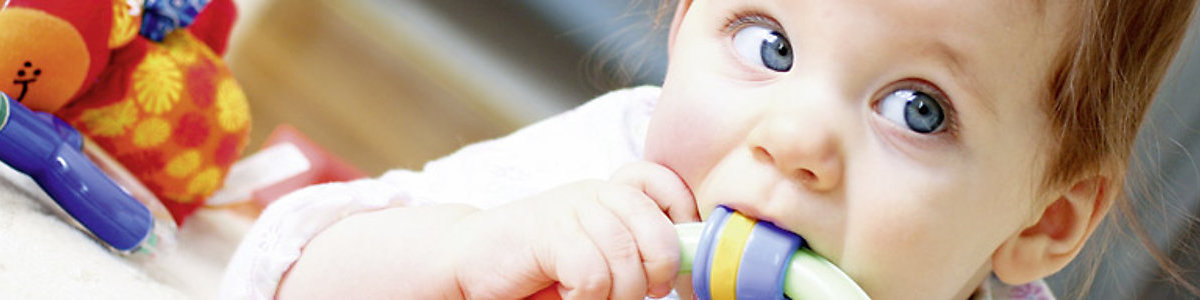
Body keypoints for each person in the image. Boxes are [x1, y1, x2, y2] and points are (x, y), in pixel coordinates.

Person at [220, 0, 1198, 298]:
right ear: (685, 22)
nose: (795, 139)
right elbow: (278, 269)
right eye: (769, 45)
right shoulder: (611, 177)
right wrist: (463, 255)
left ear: (1043, 222)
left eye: (918, 110)